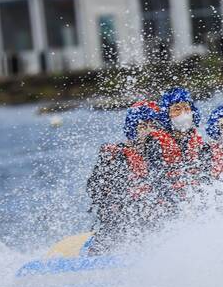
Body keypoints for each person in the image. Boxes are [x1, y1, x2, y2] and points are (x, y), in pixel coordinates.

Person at [86, 101, 165, 255]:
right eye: (143, 126)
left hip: (154, 224)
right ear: (132, 129)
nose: (149, 131)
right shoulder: (115, 156)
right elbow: (94, 189)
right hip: (119, 224)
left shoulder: (159, 156)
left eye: (153, 126)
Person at [158, 87, 211, 196]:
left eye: (187, 108)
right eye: (177, 109)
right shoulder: (156, 144)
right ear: (167, 114)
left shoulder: (203, 147)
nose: (184, 113)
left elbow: (207, 182)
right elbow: (157, 182)